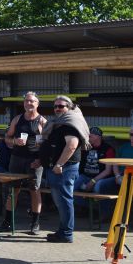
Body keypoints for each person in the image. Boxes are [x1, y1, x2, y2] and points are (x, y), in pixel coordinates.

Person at [39, 95, 90, 243]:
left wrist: (59, 164)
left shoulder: (70, 123)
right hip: (57, 167)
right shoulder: (61, 122)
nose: (57, 109)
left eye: (61, 106)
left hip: (64, 168)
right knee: (61, 201)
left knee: (64, 200)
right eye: (55, 106)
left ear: (69, 107)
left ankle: (66, 234)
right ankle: (63, 231)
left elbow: (72, 145)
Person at [0, 92, 47, 235]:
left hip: (34, 161)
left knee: (35, 190)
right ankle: (7, 221)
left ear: (37, 103)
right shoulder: (17, 119)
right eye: (26, 101)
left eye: (32, 101)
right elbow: (7, 138)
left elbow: (47, 144)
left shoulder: (42, 121)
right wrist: (15, 141)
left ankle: (35, 223)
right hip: (17, 158)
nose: (29, 103)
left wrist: (40, 159)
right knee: (13, 190)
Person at [73, 126, 116, 216]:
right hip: (85, 176)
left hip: (102, 178)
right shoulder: (86, 147)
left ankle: (104, 213)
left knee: (98, 187)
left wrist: (93, 181)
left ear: (98, 137)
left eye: (90, 136)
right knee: (72, 186)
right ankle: (89, 209)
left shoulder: (108, 149)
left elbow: (108, 171)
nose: (88, 138)